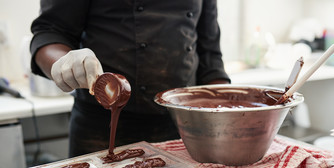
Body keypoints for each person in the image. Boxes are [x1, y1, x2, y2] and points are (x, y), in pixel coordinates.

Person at [30, 0, 230, 158]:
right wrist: (65, 63)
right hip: (102, 128)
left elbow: (210, 54)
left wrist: (225, 116)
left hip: (183, 126)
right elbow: (49, 32)